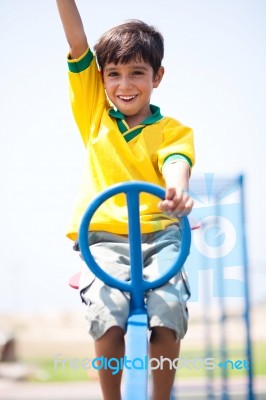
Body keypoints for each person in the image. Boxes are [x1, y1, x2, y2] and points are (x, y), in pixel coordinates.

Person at [56, 1, 195, 399]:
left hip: (161, 238)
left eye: (137, 73)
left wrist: (177, 188)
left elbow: (176, 162)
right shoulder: (95, 115)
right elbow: (78, 42)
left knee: (168, 308)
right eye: (113, 74)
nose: (125, 84)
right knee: (107, 312)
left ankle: (160, 396)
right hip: (103, 241)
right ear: (101, 80)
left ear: (158, 76)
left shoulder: (173, 130)